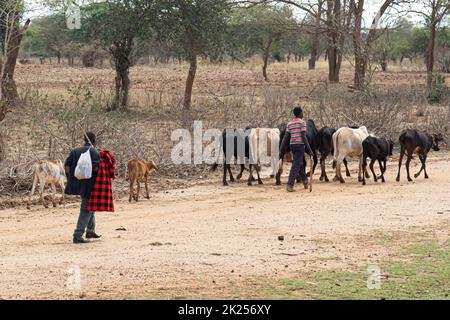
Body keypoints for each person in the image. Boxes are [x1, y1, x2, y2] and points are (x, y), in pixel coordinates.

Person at [64, 132, 101, 244]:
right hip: (90, 185)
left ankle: (90, 230)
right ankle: (78, 235)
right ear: (94, 140)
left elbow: (66, 166)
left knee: (90, 206)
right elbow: (96, 169)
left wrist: (72, 179)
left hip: (78, 184)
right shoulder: (94, 152)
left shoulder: (75, 151)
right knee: (86, 208)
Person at [286, 107, 313, 192]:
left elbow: (286, 137)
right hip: (300, 146)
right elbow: (303, 136)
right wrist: (309, 150)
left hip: (292, 145)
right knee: (296, 165)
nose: (303, 114)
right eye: (302, 112)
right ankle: (290, 184)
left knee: (300, 163)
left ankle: (305, 181)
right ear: (300, 113)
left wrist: (281, 148)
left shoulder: (290, 123)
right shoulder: (302, 123)